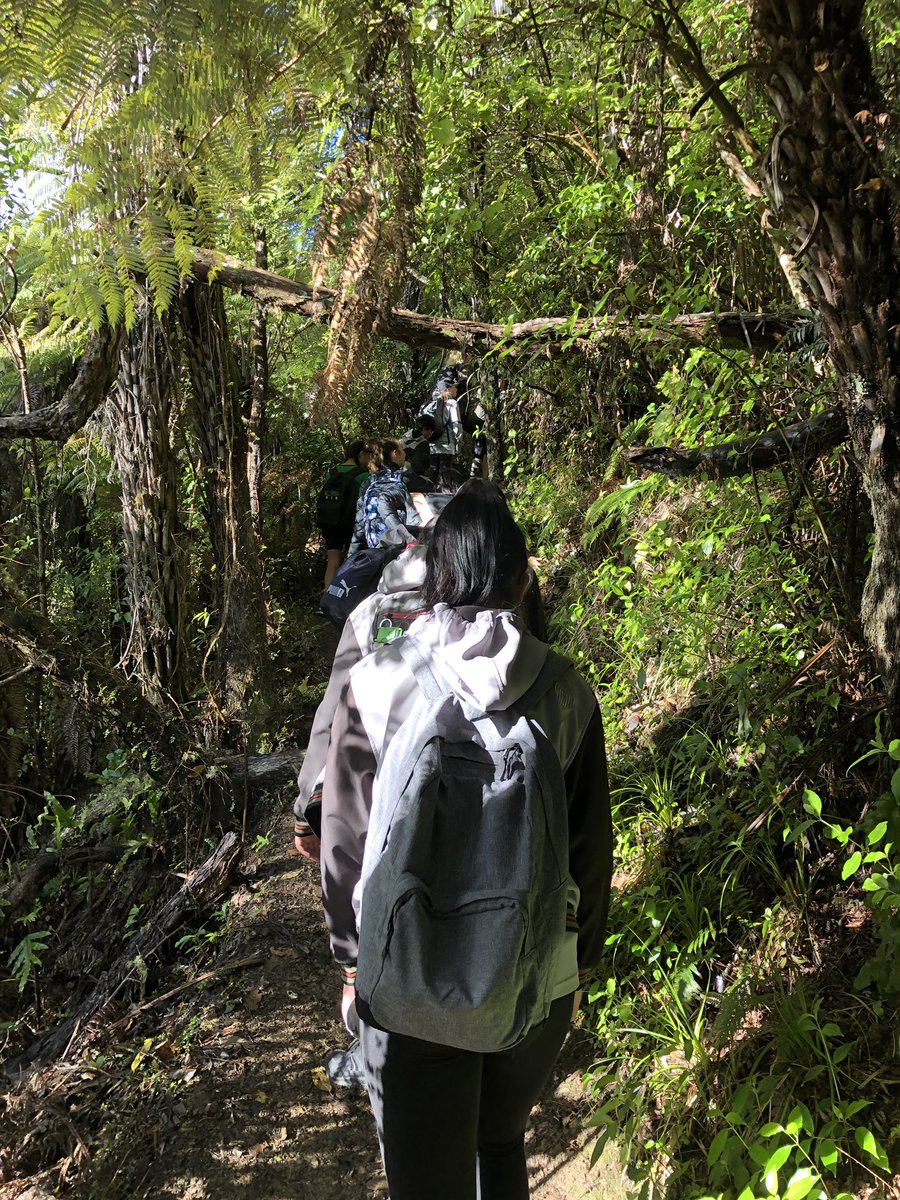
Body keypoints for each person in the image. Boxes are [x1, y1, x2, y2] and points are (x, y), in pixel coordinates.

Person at [319, 480, 612, 1200]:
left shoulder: (381, 677)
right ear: (522, 578)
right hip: (533, 971)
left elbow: (345, 837)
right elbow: (589, 852)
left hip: (409, 977)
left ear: (436, 574)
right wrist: (580, 962)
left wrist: (352, 963)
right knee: (498, 1142)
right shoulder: (566, 690)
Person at [346, 440, 420, 558]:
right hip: (403, 546)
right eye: (402, 451)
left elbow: (359, 525)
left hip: (375, 548)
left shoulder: (368, 482)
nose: (405, 454)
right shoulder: (407, 479)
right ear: (395, 453)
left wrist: (350, 557)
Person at [316, 439, 371, 589]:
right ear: (361, 454)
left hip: (331, 522)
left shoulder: (331, 473)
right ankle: (346, 601)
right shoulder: (363, 476)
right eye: (368, 455)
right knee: (353, 561)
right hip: (351, 523)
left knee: (333, 561)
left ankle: (327, 601)